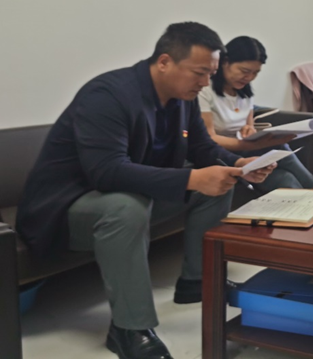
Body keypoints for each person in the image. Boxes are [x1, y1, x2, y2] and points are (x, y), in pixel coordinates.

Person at [16, 22, 275, 359]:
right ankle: (130, 328)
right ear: (165, 62)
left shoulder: (183, 98)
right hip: (64, 208)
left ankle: (198, 281)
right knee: (127, 207)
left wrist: (239, 164)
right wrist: (191, 179)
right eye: (199, 72)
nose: (205, 83)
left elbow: (202, 148)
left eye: (210, 74)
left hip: (129, 195)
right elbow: (106, 171)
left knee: (219, 182)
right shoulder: (107, 96)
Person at [199, 36, 313, 192]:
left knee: (284, 177)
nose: (249, 78)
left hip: (245, 149)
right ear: (225, 62)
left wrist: (249, 130)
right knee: (278, 146)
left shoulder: (244, 92)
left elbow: (249, 125)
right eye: (244, 71)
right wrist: (253, 144)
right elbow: (209, 138)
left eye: (255, 73)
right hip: (220, 154)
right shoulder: (204, 90)